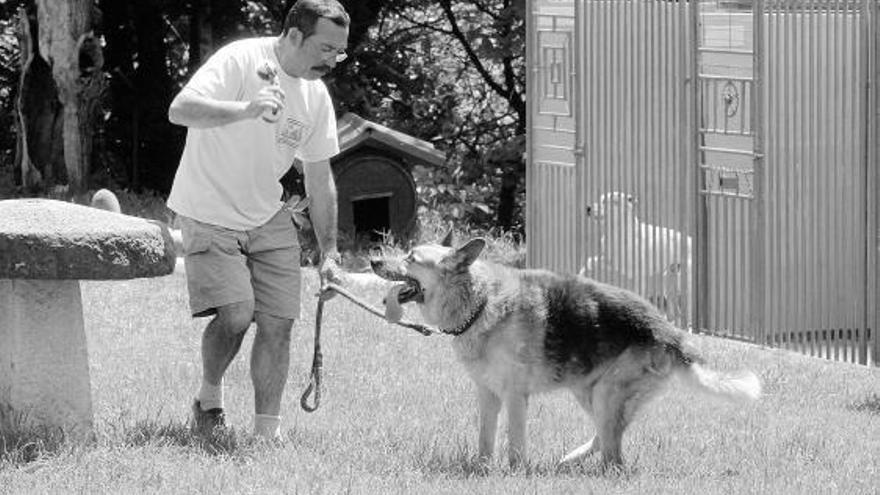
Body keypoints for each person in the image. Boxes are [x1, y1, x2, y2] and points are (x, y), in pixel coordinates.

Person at [166, 0, 349, 442]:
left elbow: (320, 179)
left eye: (339, 52)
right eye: (326, 48)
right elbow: (180, 109)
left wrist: (330, 252)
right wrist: (245, 109)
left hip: (266, 214)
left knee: (279, 321)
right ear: (292, 37)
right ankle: (209, 400)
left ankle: (268, 434)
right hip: (208, 208)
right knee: (235, 314)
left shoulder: (314, 95)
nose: (332, 60)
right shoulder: (240, 59)